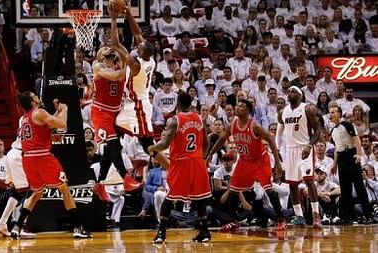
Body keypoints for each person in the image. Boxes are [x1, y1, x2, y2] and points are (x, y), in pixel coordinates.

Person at [10, 91, 91, 239]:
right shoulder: (39, 112)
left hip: (28, 159)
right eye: (35, 96)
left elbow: (46, 132)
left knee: (37, 193)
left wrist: (56, 113)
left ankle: (17, 226)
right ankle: (78, 227)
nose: (38, 98)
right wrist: (64, 109)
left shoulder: (24, 118)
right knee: (64, 189)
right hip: (42, 157)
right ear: (33, 102)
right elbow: (61, 124)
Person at [209, 99, 286, 231]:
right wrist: (210, 153)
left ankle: (281, 219)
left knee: (268, 188)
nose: (237, 107)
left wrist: (278, 163)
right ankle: (233, 220)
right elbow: (222, 139)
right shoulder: (232, 125)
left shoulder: (254, 125)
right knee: (233, 190)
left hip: (260, 161)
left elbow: (270, 139)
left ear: (248, 110)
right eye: (237, 105)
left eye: (241, 106)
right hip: (244, 161)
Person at [109, 1, 169, 170]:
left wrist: (113, 19)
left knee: (147, 144)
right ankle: (109, 173)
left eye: (139, 46)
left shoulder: (137, 65)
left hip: (139, 107)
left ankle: (171, 169)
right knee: (112, 135)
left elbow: (115, 45)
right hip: (133, 104)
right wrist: (128, 14)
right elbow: (137, 32)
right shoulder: (150, 58)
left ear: (142, 52)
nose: (137, 43)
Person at [148, 92, 211, 243]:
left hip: (181, 163)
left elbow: (164, 144)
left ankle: (161, 233)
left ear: (177, 103)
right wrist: (201, 157)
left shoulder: (174, 121)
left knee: (170, 198)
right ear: (190, 103)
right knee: (199, 198)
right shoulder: (200, 119)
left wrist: (152, 148)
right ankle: (205, 231)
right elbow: (206, 143)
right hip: (197, 162)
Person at [91, 46, 140, 194]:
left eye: (110, 52)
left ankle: (99, 184)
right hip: (101, 112)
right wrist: (126, 63)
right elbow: (115, 76)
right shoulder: (98, 67)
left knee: (110, 149)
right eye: (104, 50)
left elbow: (131, 69)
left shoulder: (119, 65)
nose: (108, 51)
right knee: (114, 146)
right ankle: (126, 178)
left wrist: (123, 52)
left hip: (116, 112)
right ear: (100, 56)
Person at [276, 86, 323, 228]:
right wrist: (277, 150)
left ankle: (316, 215)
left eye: (293, 91)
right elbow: (278, 133)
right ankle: (299, 216)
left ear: (300, 95)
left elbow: (318, 129)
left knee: (309, 181)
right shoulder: (282, 112)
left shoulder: (307, 108)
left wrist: (309, 146)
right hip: (289, 150)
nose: (290, 93)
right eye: (289, 91)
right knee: (292, 184)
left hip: (305, 148)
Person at [329, 104, 373, 224]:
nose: (331, 114)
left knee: (359, 187)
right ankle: (346, 217)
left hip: (351, 155)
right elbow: (337, 149)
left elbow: (356, 139)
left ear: (339, 114)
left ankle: (368, 215)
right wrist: (334, 164)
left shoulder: (346, 125)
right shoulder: (332, 131)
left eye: (333, 112)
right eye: (330, 112)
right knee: (345, 189)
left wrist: (358, 154)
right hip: (342, 159)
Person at [0, 116, 35, 238]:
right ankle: (19, 226)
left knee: (17, 192)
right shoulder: (37, 116)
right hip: (19, 155)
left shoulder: (23, 117)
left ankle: (2, 224)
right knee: (30, 191)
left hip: (13, 153)